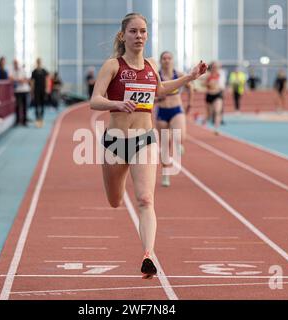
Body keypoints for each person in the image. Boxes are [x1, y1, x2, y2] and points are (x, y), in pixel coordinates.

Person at [89, 13, 207, 279]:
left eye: (143, 31)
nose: (139, 36)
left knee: (145, 199)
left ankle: (148, 255)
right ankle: (142, 242)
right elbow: (94, 100)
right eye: (133, 32)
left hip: (144, 140)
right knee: (115, 201)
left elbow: (160, 89)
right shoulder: (112, 66)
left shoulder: (152, 65)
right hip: (116, 142)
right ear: (124, 36)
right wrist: (115, 104)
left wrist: (189, 77)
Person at [155, 51, 193, 187]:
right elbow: (148, 96)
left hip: (176, 108)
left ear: (172, 60)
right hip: (162, 111)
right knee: (165, 145)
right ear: (160, 61)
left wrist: (190, 103)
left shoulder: (179, 74)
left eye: (169, 58)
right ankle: (166, 174)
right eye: (164, 58)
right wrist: (157, 98)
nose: (166, 60)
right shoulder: (156, 76)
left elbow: (190, 87)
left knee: (180, 135)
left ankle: (179, 144)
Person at [203, 61, 224, 135]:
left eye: (217, 67)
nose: (215, 68)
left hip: (217, 95)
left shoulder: (220, 75)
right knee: (209, 114)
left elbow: (222, 85)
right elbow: (204, 84)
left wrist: (219, 86)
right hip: (209, 95)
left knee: (217, 111)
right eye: (214, 67)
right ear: (211, 67)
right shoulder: (208, 75)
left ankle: (216, 129)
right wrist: (209, 84)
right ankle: (205, 121)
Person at [30, 58, 49, 128]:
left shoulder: (44, 71)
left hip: (43, 90)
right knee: (36, 104)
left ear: (41, 62)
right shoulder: (34, 72)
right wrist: (31, 91)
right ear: (36, 62)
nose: (39, 63)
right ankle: (37, 118)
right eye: (38, 62)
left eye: (40, 62)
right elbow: (32, 82)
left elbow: (47, 80)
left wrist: (47, 88)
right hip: (36, 90)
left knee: (43, 104)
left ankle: (41, 118)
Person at [11, 59, 30, 125]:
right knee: (17, 106)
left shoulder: (22, 70)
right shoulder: (12, 71)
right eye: (14, 63)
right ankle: (18, 120)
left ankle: (24, 120)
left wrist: (22, 80)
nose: (15, 65)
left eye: (16, 63)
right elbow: (11, 78)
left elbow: (27, 79)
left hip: (24, 90)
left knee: (25, 106)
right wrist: (18, 80)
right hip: (17, 91)